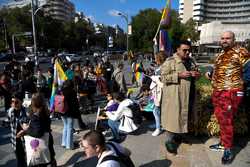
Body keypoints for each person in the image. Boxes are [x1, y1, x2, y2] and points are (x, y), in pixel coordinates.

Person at [205, 31, 250, 164]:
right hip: (218, 92)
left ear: (234, 39)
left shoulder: (241, 52)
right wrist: (210, 73)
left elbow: (248, 73)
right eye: (223, 38)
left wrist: (240, 87)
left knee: (226, 120)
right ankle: (224, 143)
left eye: (228, 38)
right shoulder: (220, 55)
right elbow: (218, 69)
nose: (224, 40)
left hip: (231, 92)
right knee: (221, 119)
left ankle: (228, 149)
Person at [160, 40, 200, 155]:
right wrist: (178, 75)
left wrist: (197, 74)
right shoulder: (170, 61)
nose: (187, 52)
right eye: (184, 50)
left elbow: (197, 72)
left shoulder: (191, 61)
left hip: (189, 94)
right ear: (177, 50)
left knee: (185, 117)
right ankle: (169, 142)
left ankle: (180, 136)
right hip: (174, 97)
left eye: (189, 50)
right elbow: (162, 77)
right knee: (172, 119)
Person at [17, 93, 56, 167]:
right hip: (47, 140)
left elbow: (38, 133)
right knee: (49, 158)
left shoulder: (36, 116)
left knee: (40, 161)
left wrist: (25, 131)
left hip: (40, 143)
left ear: (33, 103)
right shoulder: (45, 111)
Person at [7, 93, 28, 167]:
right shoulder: (10, 111)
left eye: (16, 102)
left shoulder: (25, 112)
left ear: (21, 102)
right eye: (12, 102)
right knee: (19, 159)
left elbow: (27, 125)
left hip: (24, 140)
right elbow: (8, 122)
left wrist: (25, 129)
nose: (14, 104)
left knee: (26, 159)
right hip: (15, 140)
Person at [150, 51, 166, 136]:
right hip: (158, 92)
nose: (155, 59)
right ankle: (160, 126)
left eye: (156, 58)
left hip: (160, 92)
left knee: (156, 111)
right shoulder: (162, 67)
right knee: (157, 110)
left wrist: (155, 79)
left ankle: (158, 128)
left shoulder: (163, 68)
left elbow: (163, 83)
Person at [61, 80, 79, 149]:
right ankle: (69, 145)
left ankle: (64, 142)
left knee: (65, 126)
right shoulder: (72, 91)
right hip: (69, 112)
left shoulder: (61, 90)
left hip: (62, 111)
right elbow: (74, 103)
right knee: (70, 128)